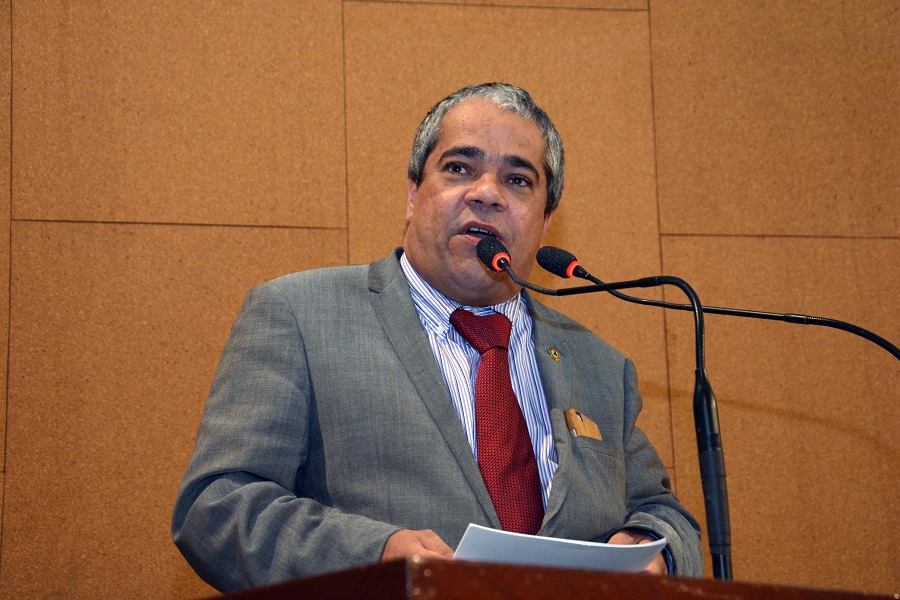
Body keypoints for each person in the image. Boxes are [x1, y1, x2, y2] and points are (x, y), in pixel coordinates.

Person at [172, 82, 703, 592]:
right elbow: (216, 507)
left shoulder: (598, 366)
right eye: (459, 168)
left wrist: (650, 549)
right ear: (412, 194)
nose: (487, 193)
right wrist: (373, 557)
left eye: (518, 180)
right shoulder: (300, 315)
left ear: (545, 221)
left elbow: (665, 514)